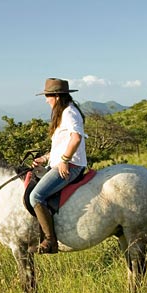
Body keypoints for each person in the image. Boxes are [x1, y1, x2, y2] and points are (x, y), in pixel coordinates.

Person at [29, 78, 88, 254]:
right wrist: (45, 158)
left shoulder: (69, 112)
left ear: (56, 96)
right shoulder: (63, 112)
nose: (46, 99)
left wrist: (64, 160)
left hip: (71, 165)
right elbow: (62, 144)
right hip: (61, 162)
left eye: (48, 95)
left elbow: (76, 138)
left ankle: (50, 241)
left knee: (36, 197)